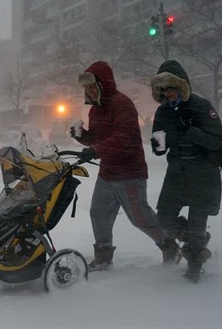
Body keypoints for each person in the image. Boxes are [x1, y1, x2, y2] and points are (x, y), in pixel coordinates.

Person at [72, 61, 178, 272]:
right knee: (98, 213)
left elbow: (123, 137)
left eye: (92, 86)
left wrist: (95, 150)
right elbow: (97, 138)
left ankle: (169, 245)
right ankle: (103, 256)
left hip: (130, 172)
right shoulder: (95, 110)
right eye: (86, 88)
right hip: (108, 172)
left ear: (104, 84)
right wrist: (83, 137)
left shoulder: (122, 104)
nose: (89, 91)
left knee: (140, 218)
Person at [149, 60, 222, 282]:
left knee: (197, 223)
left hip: (203, 174)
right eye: (161, 90)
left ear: (181, 86)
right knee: (163, 217)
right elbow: (159, 146)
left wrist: (192, 132)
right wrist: (157, 146)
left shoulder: (201, 106)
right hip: (176, 174)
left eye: (170, 88)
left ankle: (194, 267)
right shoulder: (162, 112)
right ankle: (194, 239)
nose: (166, 93)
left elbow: (217, 140)